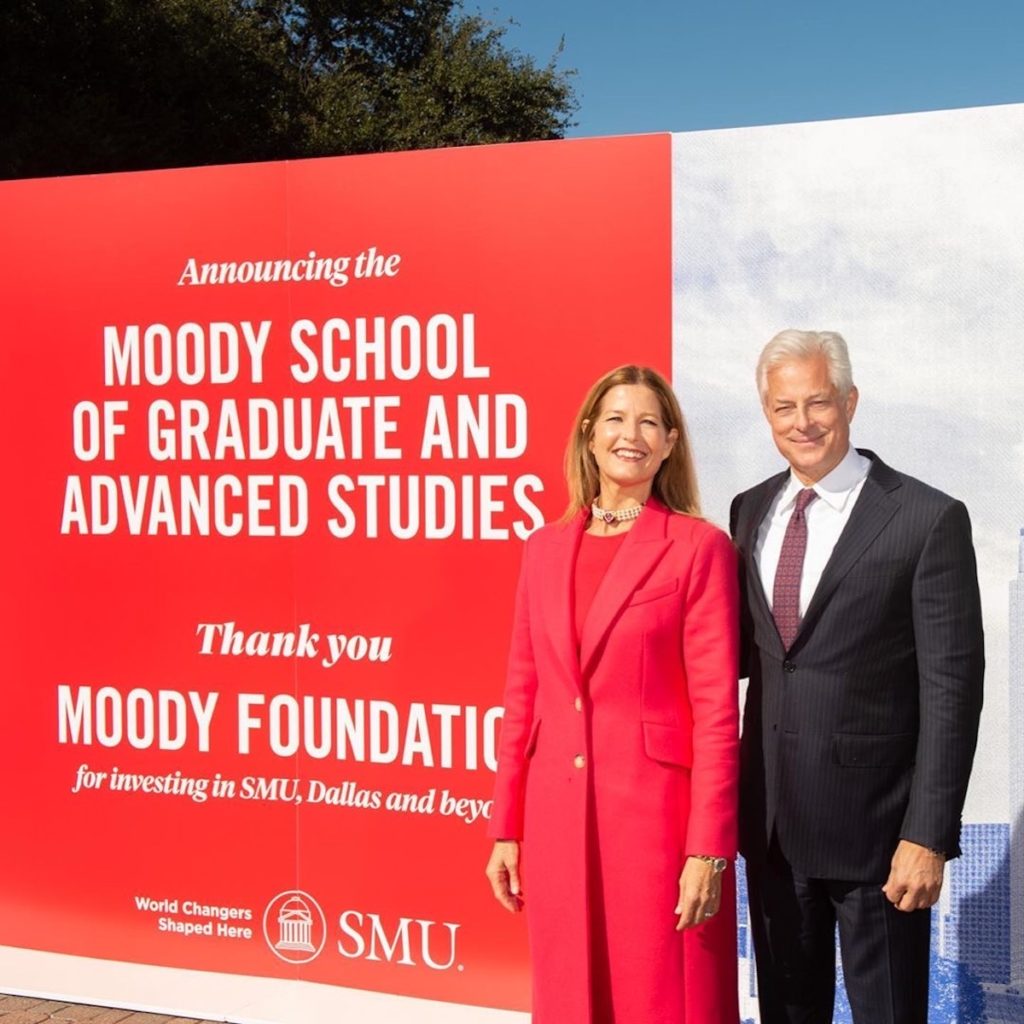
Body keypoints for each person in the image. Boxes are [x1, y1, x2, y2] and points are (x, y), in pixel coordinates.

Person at [730, 330, 985, 1024]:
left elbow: (952, 691)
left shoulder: (926, 519)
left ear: (849, 401)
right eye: (784, 407)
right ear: (767, 413)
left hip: (882, 842)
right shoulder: (749, 510)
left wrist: (928, 836)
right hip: (773, 831)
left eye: (818, 402)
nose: (802, 422)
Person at [485, 365, 740, 1024]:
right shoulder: (543, 549)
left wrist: (708, 848)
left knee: (661, 998)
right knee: (572, 998)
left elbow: (716, 712)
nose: (632, 435)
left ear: (670, 443)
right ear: (589, 434)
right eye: (617, 420)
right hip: (557, 820)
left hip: (658, 826)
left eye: (650, 422)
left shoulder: (699, 547)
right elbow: (523, 696)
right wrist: (506, 826)